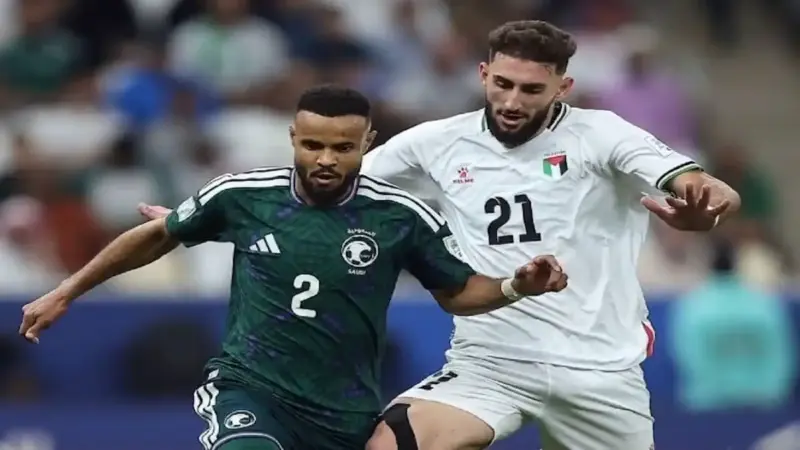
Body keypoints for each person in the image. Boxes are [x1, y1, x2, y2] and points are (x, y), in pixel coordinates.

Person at [18, 85, 568, 450]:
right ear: (292, 138)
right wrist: (66, 291)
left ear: (368, 142)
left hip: (344, 412)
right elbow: (159, 235)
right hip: (251, 390)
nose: (325, 159)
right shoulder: (244, 196)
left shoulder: (400, 216)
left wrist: (515, 285)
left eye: (343, 148)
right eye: (312, 145)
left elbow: (458, 293)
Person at [358, 21, 740, 450]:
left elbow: (710, 189)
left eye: (532, 90)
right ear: (483, 74)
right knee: (389, 444)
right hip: (489, 365)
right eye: (503, 84)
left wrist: (706, 212)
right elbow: (340, 189)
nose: (512, 101)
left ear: (563, 87)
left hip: (598, 371)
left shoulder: (602, 134)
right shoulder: (434, 143)